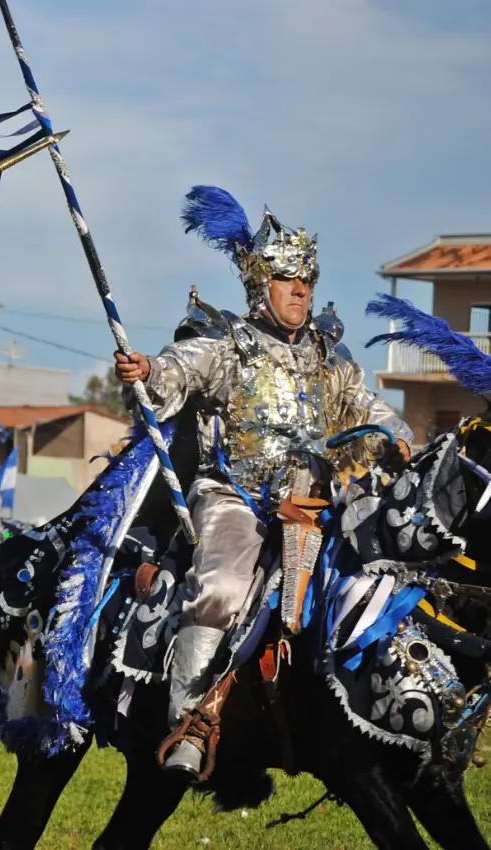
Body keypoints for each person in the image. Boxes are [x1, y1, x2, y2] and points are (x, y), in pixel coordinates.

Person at [115, 185, 412, 776]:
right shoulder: (230, 346)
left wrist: (399, 437)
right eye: (287, 278)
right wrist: (147, 370)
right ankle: (192, 720)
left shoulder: (330, 359)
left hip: (316, 508)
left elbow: (369, 409)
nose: (302, 289)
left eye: (308, 280)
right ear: (260, 284)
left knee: (387, 582)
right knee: (223, 585)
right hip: (237, 501)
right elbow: (174, 373)